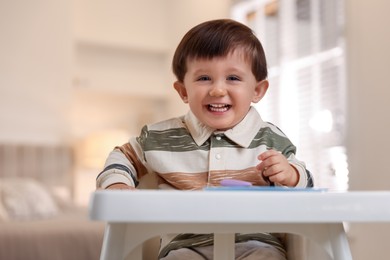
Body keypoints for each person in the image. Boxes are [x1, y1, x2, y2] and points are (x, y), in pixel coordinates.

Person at [96, 19, 314, 260]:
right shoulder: (159, 137)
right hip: (184, 245)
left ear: (257, 90)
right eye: (204, 79)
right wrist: (116, 185)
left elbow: (307, 183)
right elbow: (121, 156)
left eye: (233, 78)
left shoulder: (269, 138)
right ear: (183, 91)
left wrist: (291, 174)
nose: (217, 90)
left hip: (255, 242)